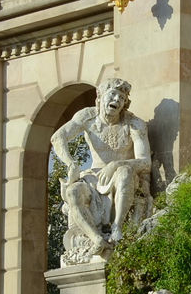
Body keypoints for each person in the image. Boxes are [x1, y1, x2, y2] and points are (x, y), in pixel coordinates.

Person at [51, 78, 151, 257]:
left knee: (124, 172)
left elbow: (145, 163)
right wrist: (71, 163)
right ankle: (96, 238)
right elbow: (58, 138)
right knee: (73, 191)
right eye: (112, 94)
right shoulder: (87, 116)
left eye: (121, 97)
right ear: (100, 97)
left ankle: (117, 228)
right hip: (94, 177)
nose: (116, 100)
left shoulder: (134, 124)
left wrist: (115, 165)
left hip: (121, 176)